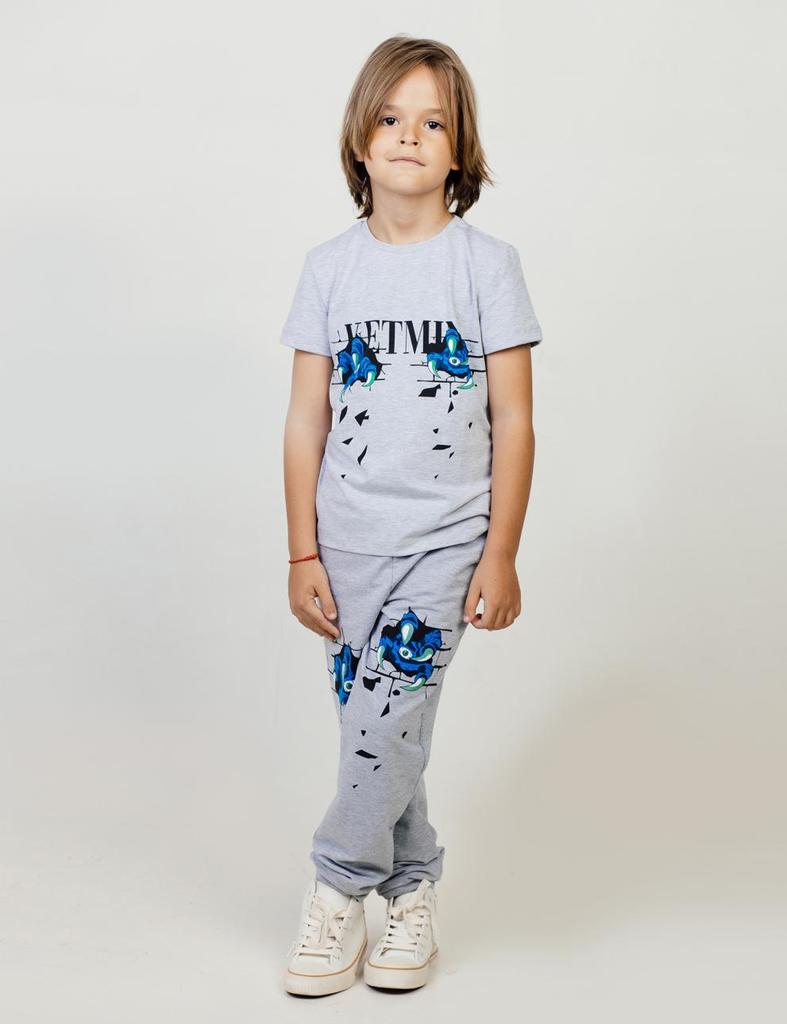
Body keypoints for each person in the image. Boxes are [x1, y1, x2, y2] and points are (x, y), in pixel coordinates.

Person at [279, 34, 543, 997]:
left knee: (385, 720)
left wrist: (500, 552)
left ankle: (336, 885)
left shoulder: (486, 266)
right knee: (380, 731)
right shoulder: (327, 269)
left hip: (444, 541)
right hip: (345, 543)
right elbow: (305, 419)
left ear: (459, 148)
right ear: (360, 137)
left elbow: (514, 420)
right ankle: (412, 884)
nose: (408, 136)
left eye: (432, 123)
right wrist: (301, 551)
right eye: (390, 118)